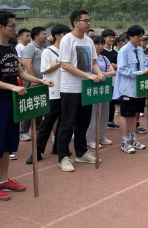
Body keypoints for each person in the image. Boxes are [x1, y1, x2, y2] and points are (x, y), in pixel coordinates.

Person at [0, 11, 53, 201]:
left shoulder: (12, 48)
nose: (15, 28)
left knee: (7, 146)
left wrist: (40, 81)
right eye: (12, 25)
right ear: (1, 28)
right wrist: (11, 86)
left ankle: (3, 180)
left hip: (13, 103)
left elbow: (20, 73)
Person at [57, 10, 106, 173]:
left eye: (89, 20)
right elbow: (65, 64)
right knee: (67, 123)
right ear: (76, 22)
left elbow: (93, 62)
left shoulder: (88, 41)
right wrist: (88, 75)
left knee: (83, 122)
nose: (89, 23)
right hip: (70, 89)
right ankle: (63, 156)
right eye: (85, 20)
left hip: (86, 88)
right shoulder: (67, 40)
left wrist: (98, 72)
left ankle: (81, 152)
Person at [26, 24, 71, 165]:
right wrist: (59, 64)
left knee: (64, 122)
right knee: (48, 122)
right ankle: (37, 151)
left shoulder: (69, 51)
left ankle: (58, 147)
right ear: (57, 36)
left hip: (67, 90)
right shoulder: (48, 51)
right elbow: (44, 70)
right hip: (53, 91)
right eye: (65, 34)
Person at [113, 26, 148, 154]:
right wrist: (140, 72)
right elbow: (122, 69)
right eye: (138, 36)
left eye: (141, 36)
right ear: (130, 36)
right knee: (125, 115)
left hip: (139, 88)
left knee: (134, 114)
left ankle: (132, 138)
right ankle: (124, 141)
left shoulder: (140, 50)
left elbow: (144, 64)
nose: (140, 39)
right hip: (127, 88)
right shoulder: (124, 50)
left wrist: (147, 70)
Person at [86, 36, 116, 149]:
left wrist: (102, 75)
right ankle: (90, 138)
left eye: (101, 44)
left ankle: (101, 136)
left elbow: (113, 72)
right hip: (93, 88)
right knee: (94, 114)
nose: (100, 46)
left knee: (104, 113)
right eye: (97, 44)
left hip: (104, 88)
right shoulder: (89, 58)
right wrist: (101, 74)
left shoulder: (104, 58)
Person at [20, 27, 48, 142]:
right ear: (36, 36)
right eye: (43, 34)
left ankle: (37, 129)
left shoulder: (43, 48)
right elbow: (27, 63)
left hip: (41, 80)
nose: (46, 36)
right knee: (29, 105)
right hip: (32, 81)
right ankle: (23, 131)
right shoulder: (30, 47)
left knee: (39, 105)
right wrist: (33, 79)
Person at [100, 29, 120, 129]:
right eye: (109, 37)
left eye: (113, 37)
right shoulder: (101, 52)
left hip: (114, 79)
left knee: (112, 101)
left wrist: (116, 66)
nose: (112, 39)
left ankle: (110, 120)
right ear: (104, 38)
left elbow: (119, 64)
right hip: (104, 80)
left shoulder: (115, 52)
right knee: (105, 102)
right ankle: (104, 122)